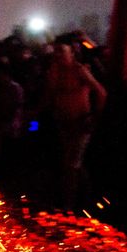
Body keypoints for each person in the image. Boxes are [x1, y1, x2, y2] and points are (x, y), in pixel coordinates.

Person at [44, 34, 106, 210]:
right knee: (72, 164)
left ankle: (69, 206)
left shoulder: (80, 70)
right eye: (56, 51)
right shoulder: (54, 72)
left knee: (72, 164)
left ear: (72, 53)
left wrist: (94, 117)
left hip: (81, 123)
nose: (58, 55)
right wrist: (34, 115)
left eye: (62, 51)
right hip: (63, 123)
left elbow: (101, 92)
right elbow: (49, 96)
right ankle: (88, 199)